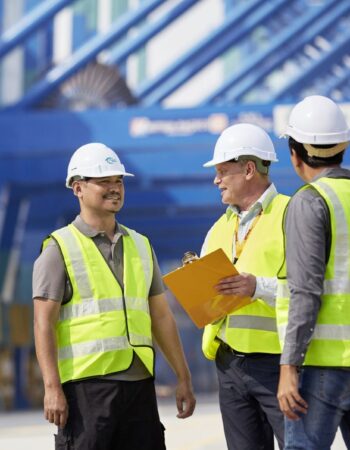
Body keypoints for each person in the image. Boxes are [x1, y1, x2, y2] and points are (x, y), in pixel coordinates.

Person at [33, 143, 196, 450]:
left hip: (139, 388)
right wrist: (52, 387)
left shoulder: (141, 245)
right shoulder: (58, 249)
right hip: (85, 390)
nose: (114, 188)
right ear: (78, 188)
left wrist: (182, 376)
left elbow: (161, 316)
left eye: (118, 180)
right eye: (104, 181)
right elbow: (43, 324)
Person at [201, 123, 289, 450]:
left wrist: (256, 288)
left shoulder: (291, 214)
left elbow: (309, 291)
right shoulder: (217, 230)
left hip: (279, 363)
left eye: (223, 171)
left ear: (249, 169)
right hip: (229, 364)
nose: (216, 180)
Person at [276, 95, 350, 450]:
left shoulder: (309, 201)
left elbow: (305, 292)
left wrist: (288, 367)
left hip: (324, 365)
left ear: (295, 152)